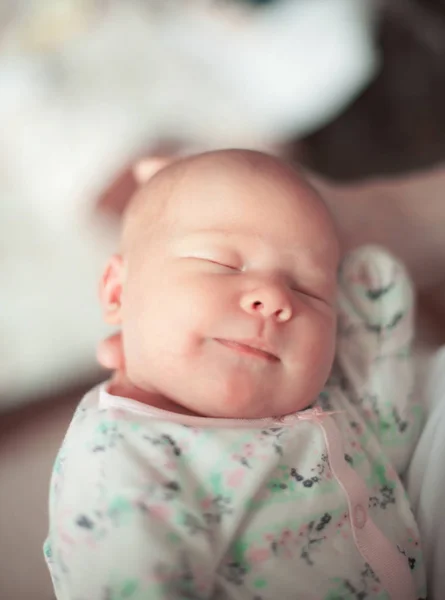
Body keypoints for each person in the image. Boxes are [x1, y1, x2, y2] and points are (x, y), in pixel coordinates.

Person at [43, 149, 426, 599]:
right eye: (223, 264)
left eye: (308, 287)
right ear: (117, 291)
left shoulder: (330, 396)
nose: (276, 298)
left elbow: (397, 429)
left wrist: (370, 280)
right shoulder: (119, 460)